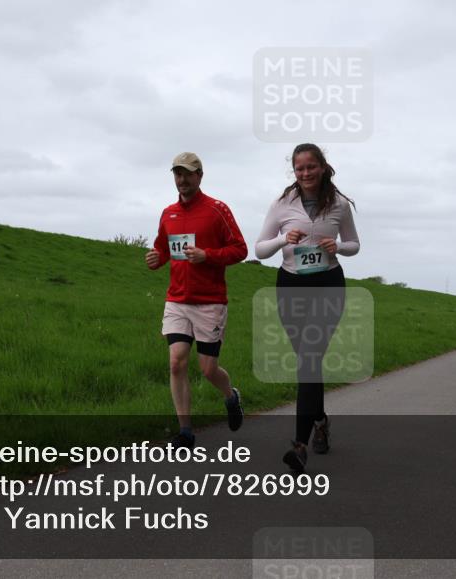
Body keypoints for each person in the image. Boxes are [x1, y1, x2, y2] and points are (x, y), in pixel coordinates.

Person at [255, 143, 359, 474]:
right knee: (307, 362)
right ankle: (320, 420)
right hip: (291, 285)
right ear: (294, 172)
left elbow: (355, 244)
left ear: (323, 167)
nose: (305, 173)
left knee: (310, 360)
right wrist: (284, 240)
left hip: (328, 284)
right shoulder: (282, 204)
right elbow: (259, 249)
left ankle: (299, 447)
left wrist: (338, 247)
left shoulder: (339, 204)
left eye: (311, 167)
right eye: (299, 168)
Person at [145, 152, 247, 449]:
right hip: (177, 299)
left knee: (207, 369)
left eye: (188, 174)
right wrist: (156, 258)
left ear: (200, 176)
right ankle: (185, 431)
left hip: (210, 301)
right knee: (177, 362)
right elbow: (162, 249)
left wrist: (208, 255)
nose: (182, 180)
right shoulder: (168, 213)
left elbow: (239, 249)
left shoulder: (217, 210)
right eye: (177, 174)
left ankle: (231, 395)